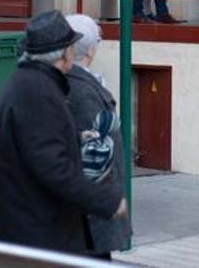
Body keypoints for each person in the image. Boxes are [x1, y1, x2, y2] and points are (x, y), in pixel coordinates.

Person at [0, 10, 127, 254]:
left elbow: (36, 144)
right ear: (64, 53)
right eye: (71, 45)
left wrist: (75, 138)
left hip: (26, 229)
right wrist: (105, 201)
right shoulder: (39, 92)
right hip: (34, 233)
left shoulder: (29, 82)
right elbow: (54, 168)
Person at [64, 14, 131, 259]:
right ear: (90, 50)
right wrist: (107, 203)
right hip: (89, 222)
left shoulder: (69, 82)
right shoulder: (82, 90)